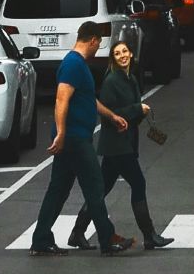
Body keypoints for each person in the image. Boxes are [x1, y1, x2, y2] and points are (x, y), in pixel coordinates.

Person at [30, 22, 134, 257]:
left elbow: (87, 99)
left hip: (72, 137)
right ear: (93, 40)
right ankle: (107, 239)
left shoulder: (77, 64)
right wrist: (61, 132)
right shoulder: (73, 64)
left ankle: (41, 239)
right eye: (99, 43)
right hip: (74, 139)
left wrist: (111, 116)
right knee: (95, 186)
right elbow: (61, 99)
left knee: (58, 190)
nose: (98, 48)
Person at [66, 38, 173, 251]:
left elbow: (130, 116)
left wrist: (139, 112)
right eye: (117, 54)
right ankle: (149, 235)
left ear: (131, 54)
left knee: (101, 189)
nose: (122, 56)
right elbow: (109, 115)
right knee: (138, 184)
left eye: (125, 52)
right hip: (117, 145)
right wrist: (137, 109)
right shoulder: (112, 81)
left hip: (124, 144)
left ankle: (77, 232)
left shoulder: (131, 78)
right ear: (113, 59)